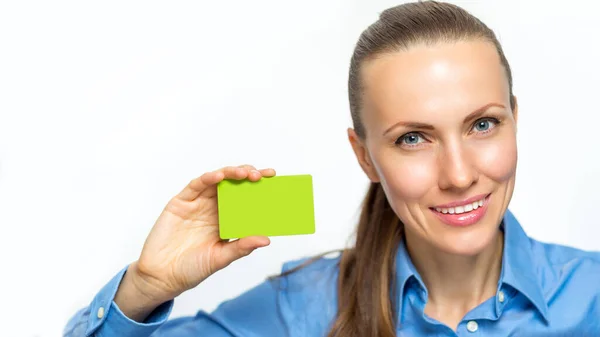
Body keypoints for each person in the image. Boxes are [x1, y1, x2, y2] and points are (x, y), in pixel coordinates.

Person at [64, 1, 600, 336]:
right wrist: (144, 288)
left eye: (483, 125)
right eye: (413, 138)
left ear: (515, 121)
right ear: (364, 155)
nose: (458, 175)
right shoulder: (299, 309)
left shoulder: (592, 294)